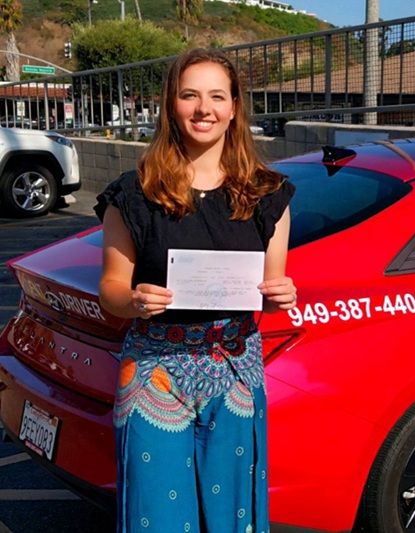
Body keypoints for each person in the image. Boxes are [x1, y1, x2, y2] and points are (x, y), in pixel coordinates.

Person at [95, 47, 296, 533]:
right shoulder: (133, 194)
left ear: (233, 108)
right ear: (171, 104)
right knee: (156, 519)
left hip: (236, 372)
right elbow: (110, 291)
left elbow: (267, 291)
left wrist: (279, 295)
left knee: (232, 520)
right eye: (189, 95)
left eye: (216, 96)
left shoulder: (269, 195)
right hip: (152, 372)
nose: (203, 109)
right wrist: (135, 301)